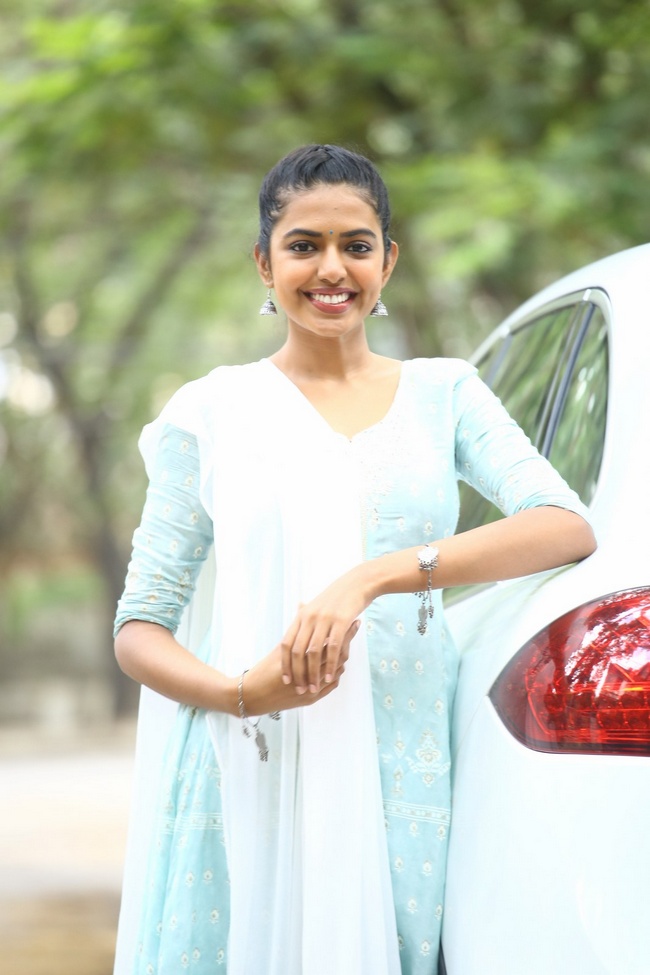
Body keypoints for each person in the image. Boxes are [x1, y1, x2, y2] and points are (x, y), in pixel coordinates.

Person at [112, 144, 596, 975]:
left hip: (402, 766)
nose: (331, 268)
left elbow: (563, 524)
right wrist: (241, 693)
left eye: (356, 245)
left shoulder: (446, 393)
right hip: (247, 768)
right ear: (263, 263)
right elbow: (139, 625)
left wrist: (371, 576)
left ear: (388, 261)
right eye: (304, 245)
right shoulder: (212, 413)